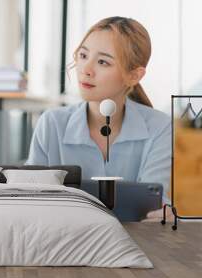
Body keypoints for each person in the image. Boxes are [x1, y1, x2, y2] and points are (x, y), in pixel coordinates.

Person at [26, 16, 172, 220]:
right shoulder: (52, 124)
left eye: (103, 61)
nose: (86, 69)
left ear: (134, 76)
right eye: (83, 55)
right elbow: (30, 201)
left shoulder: (160, 127)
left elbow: (156, 209)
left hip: (133, 244)